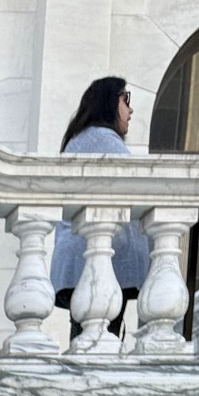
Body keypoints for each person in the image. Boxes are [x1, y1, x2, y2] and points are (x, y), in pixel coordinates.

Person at [50, 76, 150, 322]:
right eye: (125, 99)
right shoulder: (103, 139)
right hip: (101, 262)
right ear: (109, 103)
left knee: (87, 339)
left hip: (81, 261)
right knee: (100, 342)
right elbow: (138, 185)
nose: (131, 109)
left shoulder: (80, 139)